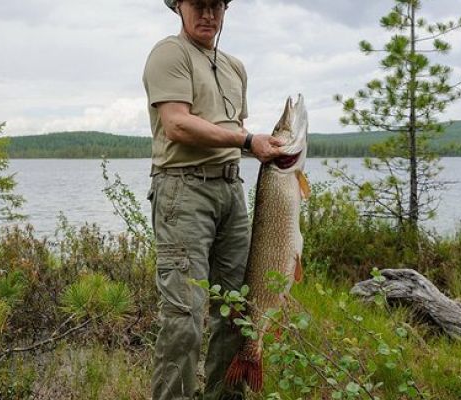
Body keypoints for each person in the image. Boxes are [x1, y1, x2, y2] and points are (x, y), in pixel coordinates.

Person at [142, 0, 282, 398]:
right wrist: (248, 141)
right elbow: (178, 125)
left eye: (215, 5)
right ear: (179, 8)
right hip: (183, 191)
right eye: (198, 5)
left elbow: (233, 128)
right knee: (184, 317)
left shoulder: (235, 66)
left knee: (238, 311)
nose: (208, 14)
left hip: (231, 191)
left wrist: (262, 146)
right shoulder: (170, 53)